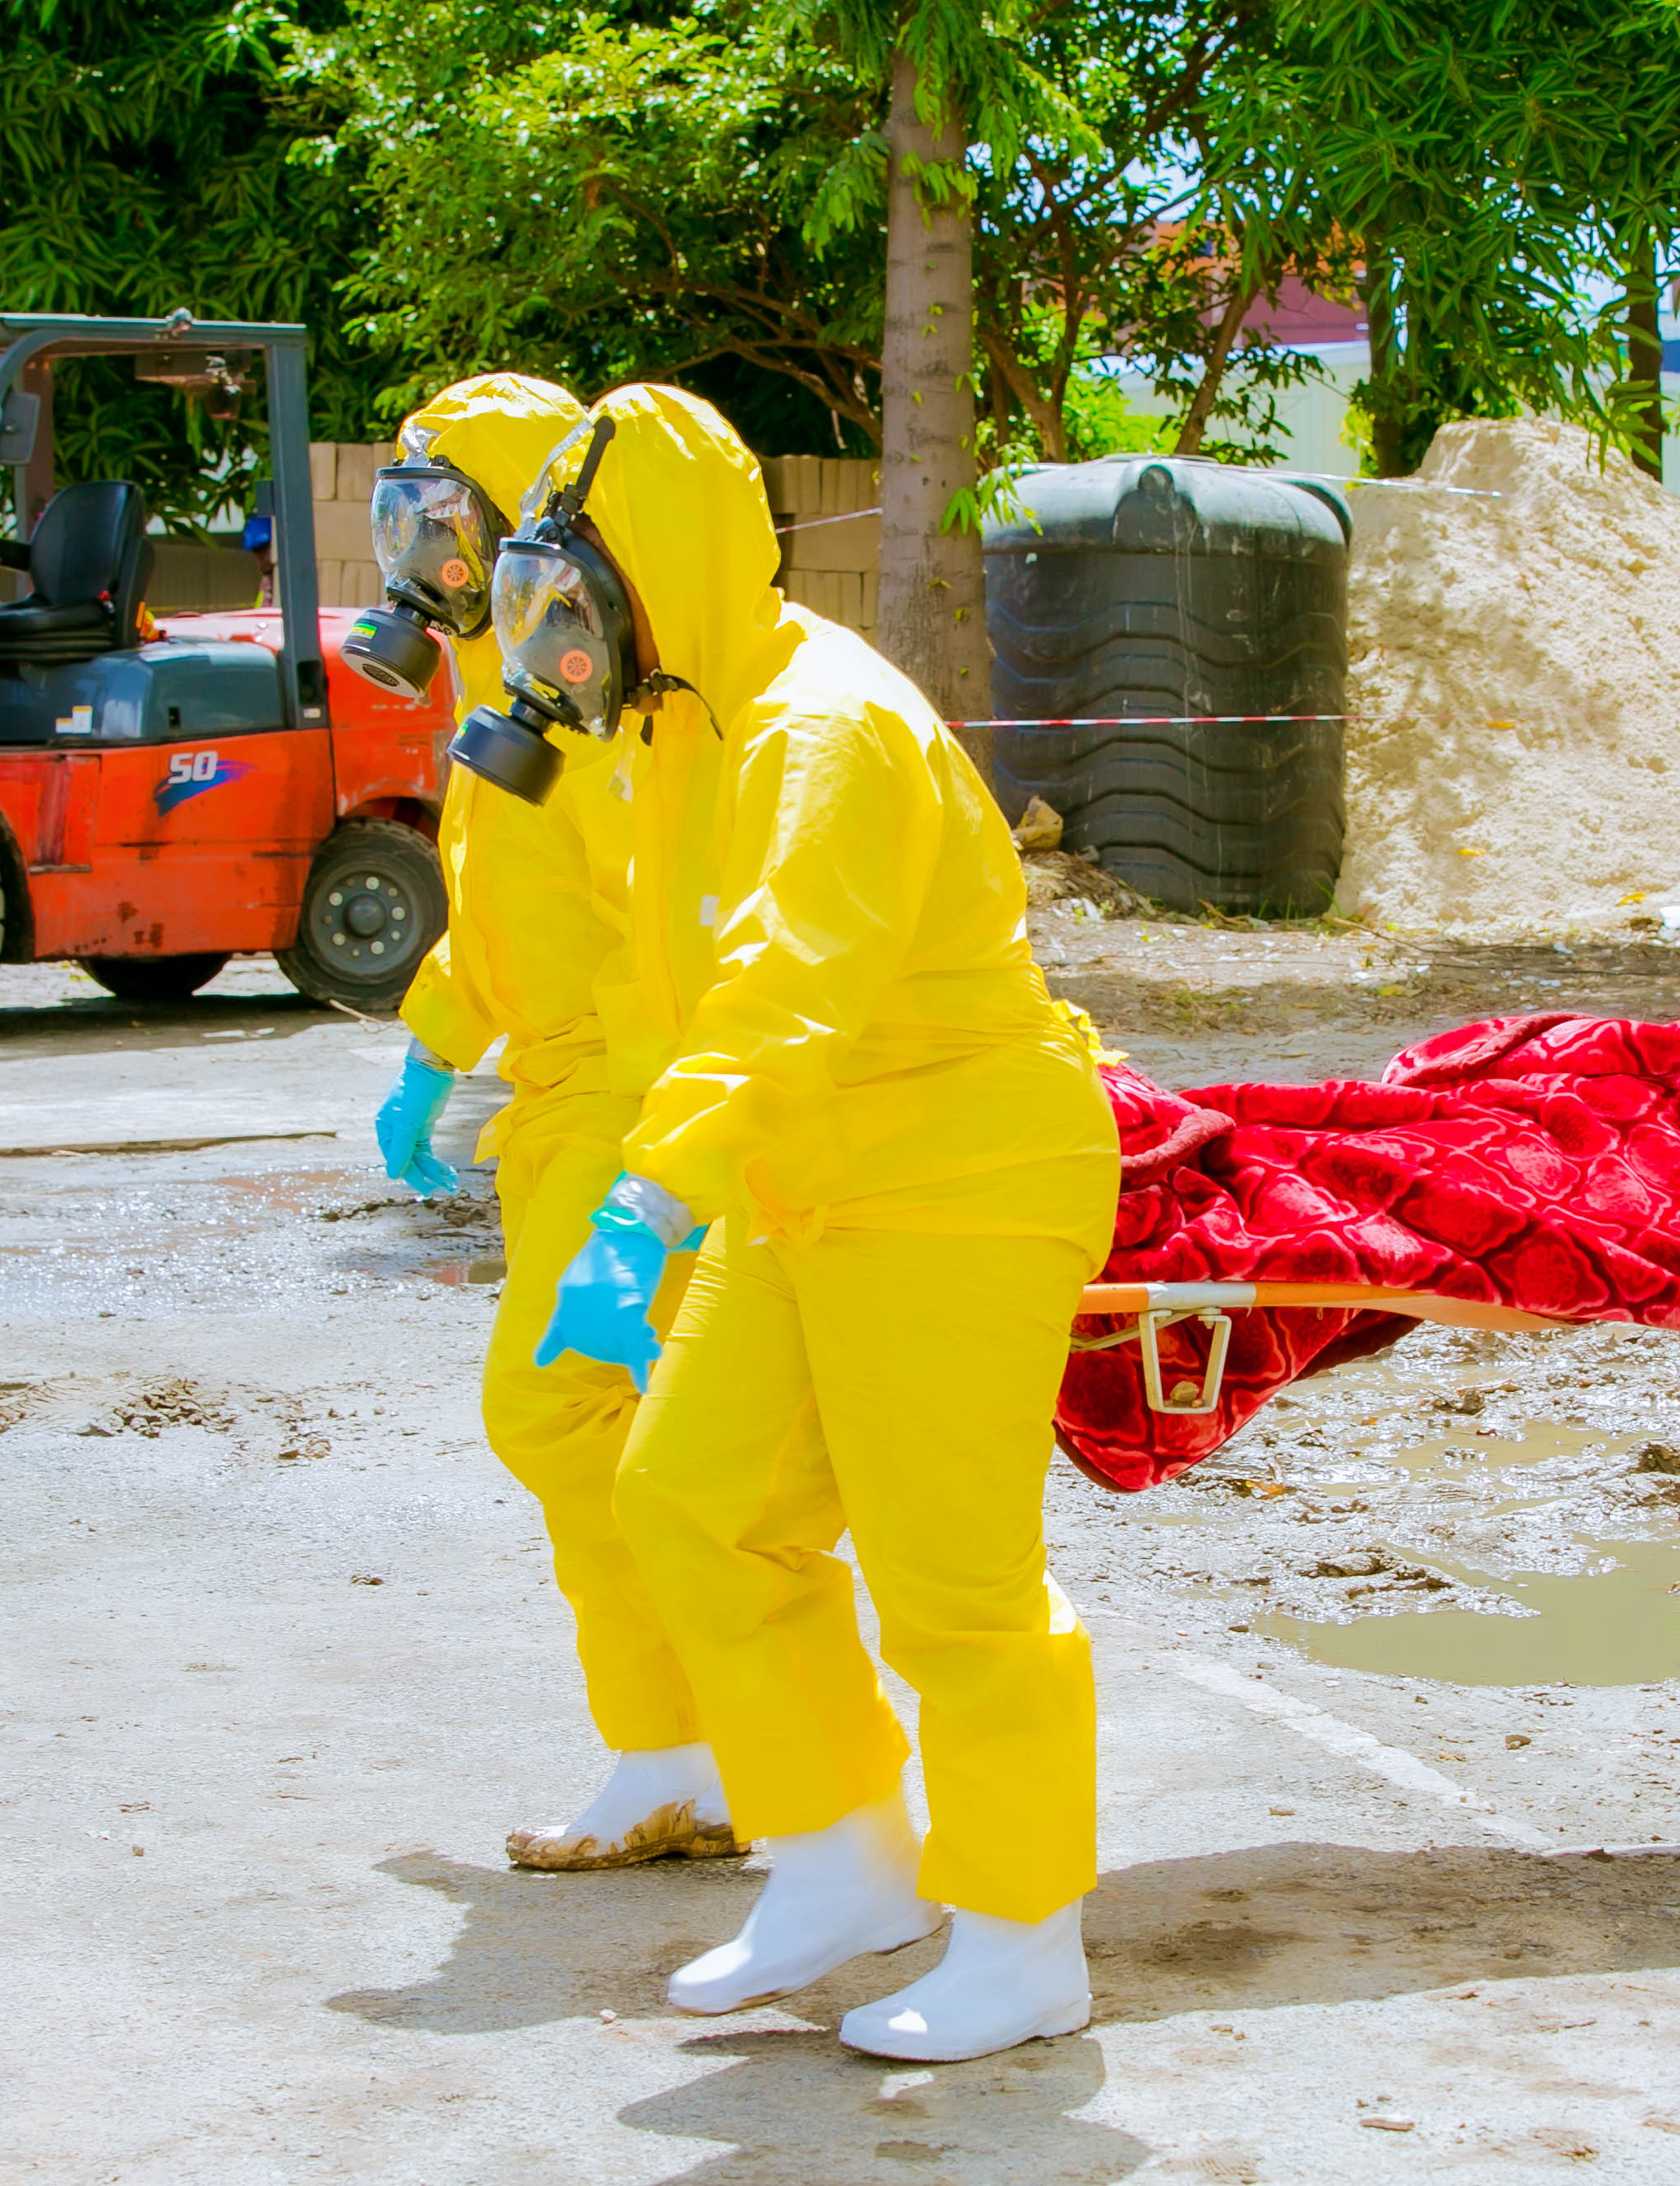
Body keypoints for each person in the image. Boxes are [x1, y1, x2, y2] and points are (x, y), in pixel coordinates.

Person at [498, 385, 1119, 2063]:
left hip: (958, 1174)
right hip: (809, 1170)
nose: (552, 646)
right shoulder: (680, 731)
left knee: (955, 1589)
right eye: (535, 608)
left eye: (573, 605)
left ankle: (1020, 1935)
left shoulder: (820, 728)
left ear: (658, 573)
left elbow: (788, 994)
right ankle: (844, 1860)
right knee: (689, 1499)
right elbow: (677, 994)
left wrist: (647, 1198)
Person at [370, 372, 739, 1870]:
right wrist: (433, 1050)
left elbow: (663, 931)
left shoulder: (592, 703)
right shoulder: (507, 691)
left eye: (441, 517)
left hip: (622, 1090)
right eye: (401, 520)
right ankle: (714, 1749)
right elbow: (503, 917)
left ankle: (685, 1753)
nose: (418, 559)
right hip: (558, 1092)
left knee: (557, 1405)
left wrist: (659, 1175)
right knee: (616, 1424)